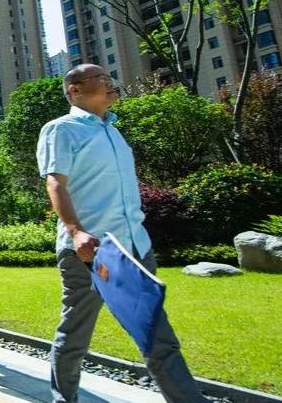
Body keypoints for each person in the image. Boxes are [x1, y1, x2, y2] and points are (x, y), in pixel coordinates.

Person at [37, 64, 210, 403]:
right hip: (92, 251)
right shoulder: (61, 129)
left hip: (136, 248)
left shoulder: (114, 132)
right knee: (76, 331)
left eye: (109, 77)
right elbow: (55, 183)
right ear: (75, 90)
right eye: (100, 79)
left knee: (156, 333)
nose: (110, 83)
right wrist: (76, 231)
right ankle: (64, 398)